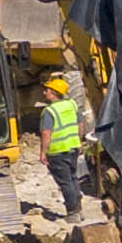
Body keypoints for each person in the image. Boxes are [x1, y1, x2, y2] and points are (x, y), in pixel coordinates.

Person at [40, 79, 86, 216]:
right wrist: (79, 141)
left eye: (46, 90)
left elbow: (46, 133)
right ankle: (79, 209)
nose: (44, 92)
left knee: (65, 183)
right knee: (73, 178)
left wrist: (43, 152)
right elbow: (81, 125)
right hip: (73, 148)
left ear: (53, 93)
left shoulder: (49, 111)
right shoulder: (72, 104)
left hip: (57, 152)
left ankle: (73, 213)